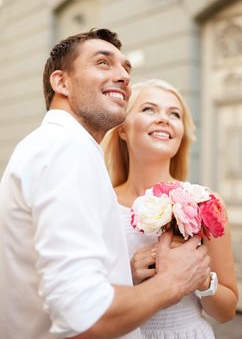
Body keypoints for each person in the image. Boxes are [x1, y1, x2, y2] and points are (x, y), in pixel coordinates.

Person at [0, 30, 211, 339]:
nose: (123, 76)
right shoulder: (67, 148)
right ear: (61, 82)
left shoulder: (53, 146)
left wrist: (125, 275)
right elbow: (83, 315)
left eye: (126, 68)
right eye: (103, 63)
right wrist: (173, 282)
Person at [102, 79, 239, 338]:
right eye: (149, 110)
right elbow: (80, 298)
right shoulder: (100, 203)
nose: (164, 119)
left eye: (174, 114)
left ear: (180, 133)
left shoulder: (206, 203)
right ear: (122, 129)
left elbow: (227, 311)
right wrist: (127, 274)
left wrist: (200, 279)